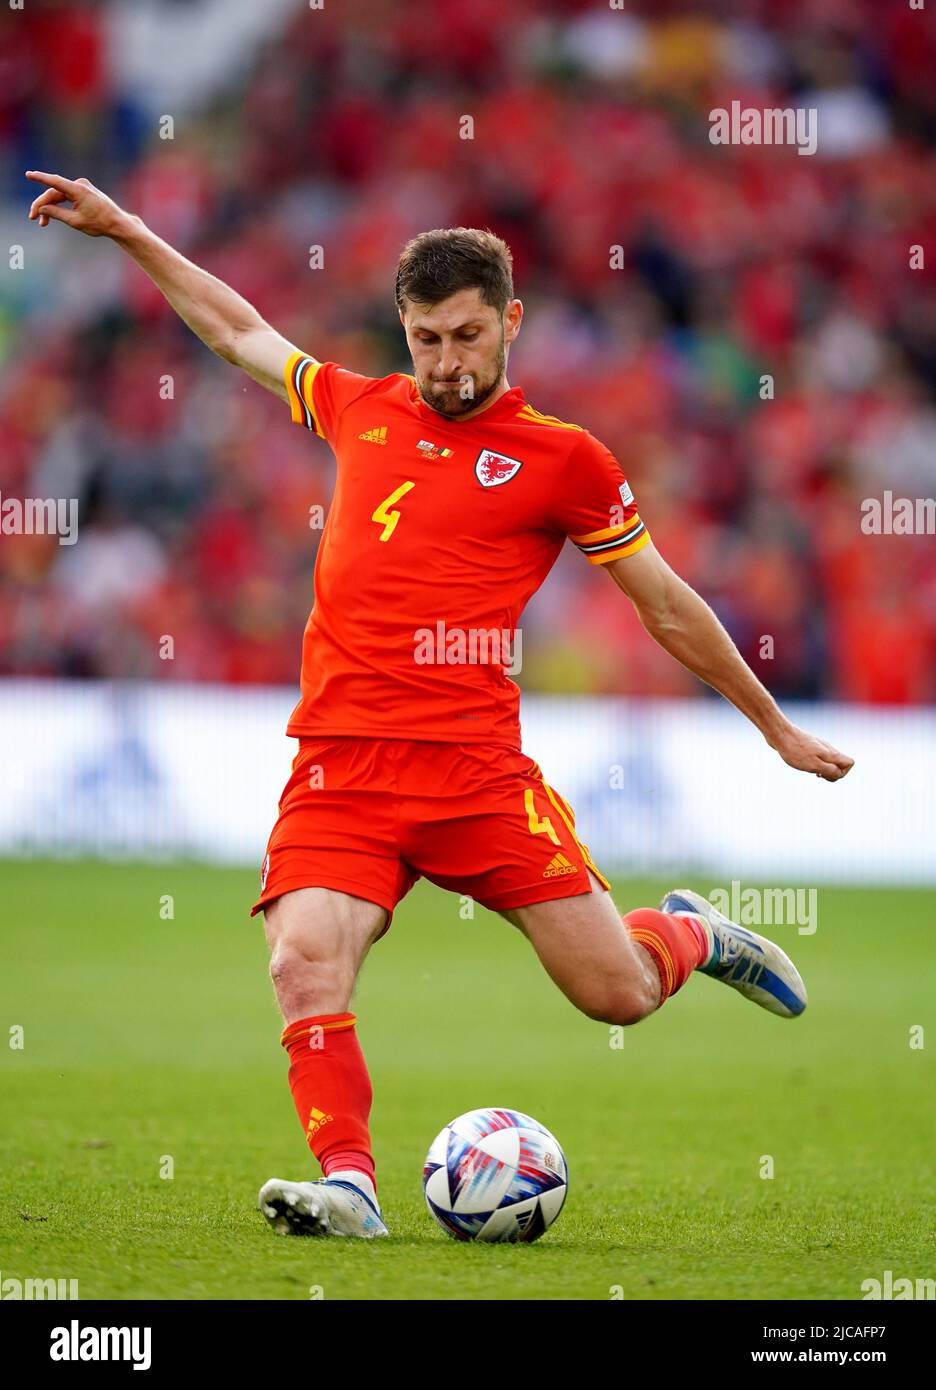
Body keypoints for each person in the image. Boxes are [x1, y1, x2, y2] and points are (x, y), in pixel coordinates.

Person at [26, 171, 854, 1240]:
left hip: (475, 777)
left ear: (510, 321)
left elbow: (665, 603)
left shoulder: (566, 461)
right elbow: (236, 329)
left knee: (618, 995)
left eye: (467, 335)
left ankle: (689, 935)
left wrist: (774, 724)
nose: (447, 363)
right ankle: (350, 1187)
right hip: (342, 768)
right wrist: (131, 230)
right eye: (425, 339)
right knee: (300, 956)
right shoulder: (359, 406)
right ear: (402, 331)